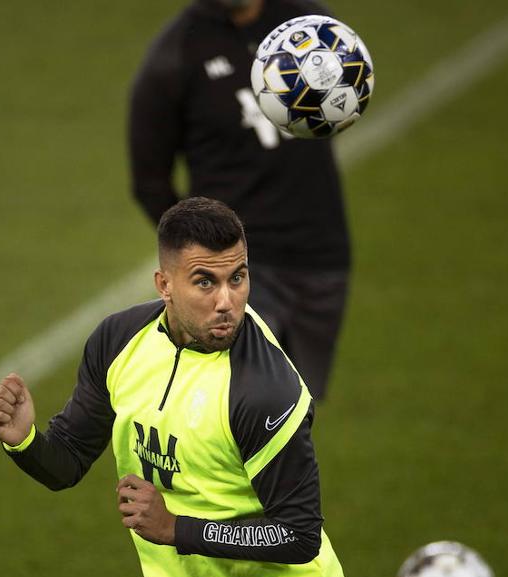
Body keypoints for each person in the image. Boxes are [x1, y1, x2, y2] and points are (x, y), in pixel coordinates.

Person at [0, 198, 348, 577]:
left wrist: (175, 528)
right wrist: (26, 440)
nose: (226, 300)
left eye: (238, 277)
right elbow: (69, 460)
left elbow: (299, 536)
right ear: (164, 283)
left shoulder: (264, 391)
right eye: (205, 281)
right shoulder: (119, 342)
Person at [128, 0, 353, 400]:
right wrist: (203, 255)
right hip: (238, 270)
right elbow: (149, 180)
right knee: (235, 412)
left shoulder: (309, 26)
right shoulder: (177, 54)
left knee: (296, 419)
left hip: (323, 257)